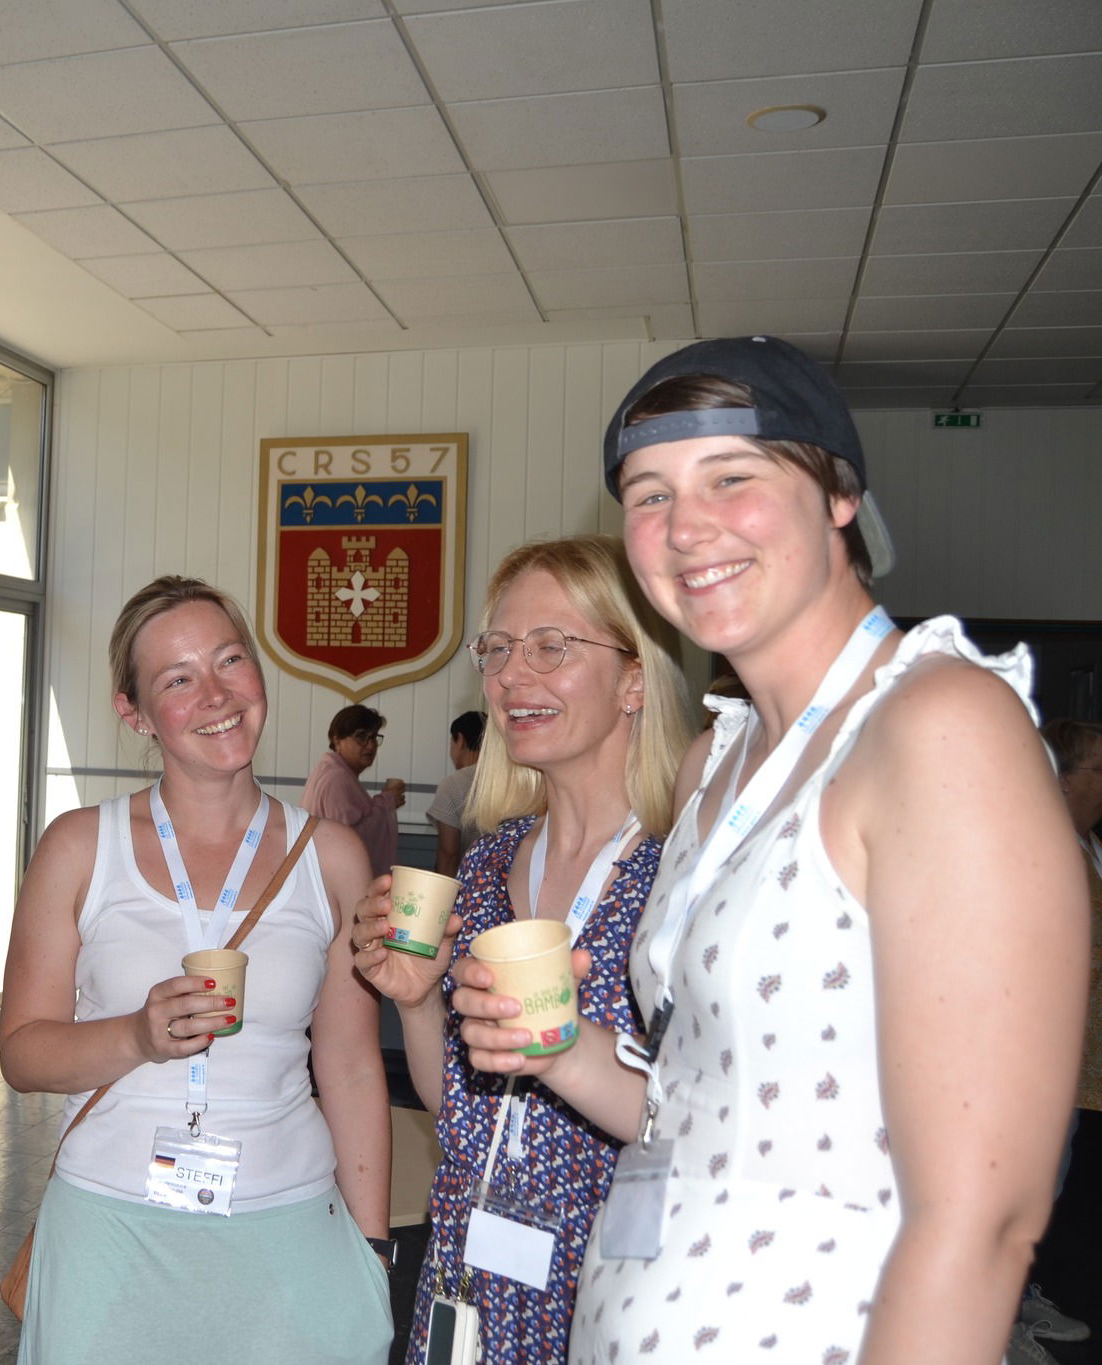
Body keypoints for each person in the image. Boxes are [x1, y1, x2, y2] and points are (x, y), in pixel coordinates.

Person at [452, 336, 1084, 1363]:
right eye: (649, 494)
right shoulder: (717, 759)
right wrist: (557, 1049)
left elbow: (980, 1219)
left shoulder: (934, 728)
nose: (683, 526)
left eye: (731, 477)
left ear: (838, 494)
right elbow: (694, 1112)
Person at [0, 576, 394, 1364]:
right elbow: (23, 1052)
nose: (216, 694)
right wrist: (137, 1036)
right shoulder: (79, 846)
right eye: (178, 679)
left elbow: (350, 1065)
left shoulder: (331, 856)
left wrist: (374, 1249)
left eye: (229, 660)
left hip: (289, 1229)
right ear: (135, 712)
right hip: (111, 1229)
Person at [352, 535, 689, 1364]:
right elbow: (464, 1110)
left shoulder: (683, 873)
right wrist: (415, 1000)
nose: (510, 675)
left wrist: (570, 1049)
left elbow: (710, 1120)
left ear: (635, 677)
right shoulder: (490, 862)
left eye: (550, 646)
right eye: (498, 649)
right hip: (471, 1273)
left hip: (612, 1289)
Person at [1017, 717, 1102, 1358]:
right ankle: (1003, 1321)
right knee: (1033, 1191)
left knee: (1061, 1189)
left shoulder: (1089, 846)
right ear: (1064, 779)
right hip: (1047, 1059)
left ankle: (1025, 1298)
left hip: (1083, 1059)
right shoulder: (1038, 849)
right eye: (1097, 769)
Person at [302, 702, 407, 876]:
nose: (370, 745)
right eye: (361, 737)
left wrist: (385, 800)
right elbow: (347, 841)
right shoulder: (336, 779)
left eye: (373, 737)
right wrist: (386, 801)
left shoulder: (335, 772)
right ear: (337, 740)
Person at [426, 711, 485, 875]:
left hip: (470, 882)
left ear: (460, 740)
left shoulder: (453, 784)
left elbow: (449, 853)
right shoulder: (514, 780)